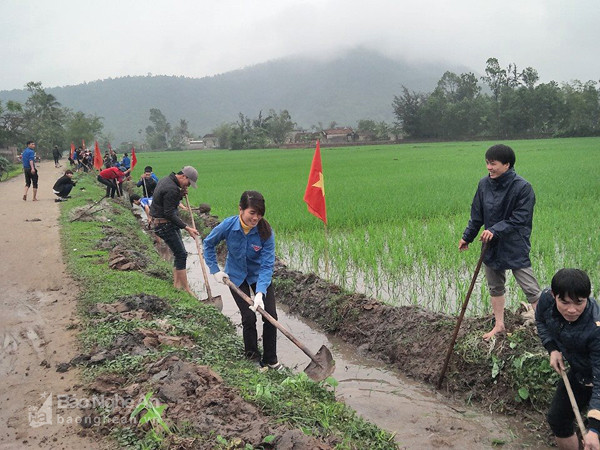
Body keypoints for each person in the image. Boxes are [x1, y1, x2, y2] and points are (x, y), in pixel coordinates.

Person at [459, 144, 541, 340]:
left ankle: (545, 327)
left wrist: (495, 230)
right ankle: (499, 325)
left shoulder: (523, 187)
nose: (489, 167)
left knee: (530, 288)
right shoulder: (484, 184)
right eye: (487, 163)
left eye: (493, 164)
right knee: (495, 286)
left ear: (507, 164)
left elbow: (520, 218)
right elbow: (477, 214)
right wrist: (467, 236)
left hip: (514, 244)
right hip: (491, 245)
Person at [203, 191, 282, 370]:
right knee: (248, 317)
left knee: (271, 316)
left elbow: (267, 265)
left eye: (259, 214)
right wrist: (215, 270)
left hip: (258, 276)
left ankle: (270, 359)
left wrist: (261, 292)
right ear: (241, 209)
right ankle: (252, 357)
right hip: (236, 276)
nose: (256, 218)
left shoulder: (266, 233)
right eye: (252, 213)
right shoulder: (228, 226)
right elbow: (208, 244)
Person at [536, 268, 600, 450]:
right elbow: (540, 320)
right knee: (558, 419)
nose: (572, 310)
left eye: (579, 302)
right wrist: (553, 348)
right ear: (554, 295)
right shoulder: (546, 300)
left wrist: (594, 430)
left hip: (597, 376)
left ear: (588, 297)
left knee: (595, 436)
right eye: (565, 302)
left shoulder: (596, 328)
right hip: (579, 373)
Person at [149, 166, 199, 295]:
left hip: (163, 223)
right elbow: (169, 213)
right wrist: (187, 228)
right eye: (188, 183)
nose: (188, 185)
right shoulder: (172, 189)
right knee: (181, 254)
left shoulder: (166, 180)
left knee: (179, 253)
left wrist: (180, 194)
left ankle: (177, 285)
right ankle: (187, 289)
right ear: (184, 177)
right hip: (165, 224)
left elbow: (167, 202)